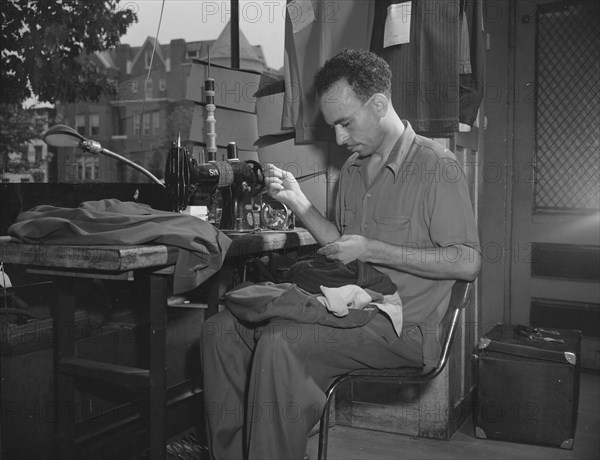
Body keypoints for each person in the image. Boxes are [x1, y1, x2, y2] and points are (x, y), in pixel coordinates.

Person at [201, 48, 481, 460]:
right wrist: (299, 203)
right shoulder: (352, 170)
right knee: (221, 330)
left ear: (380, 104)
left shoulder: (438, 166)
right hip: (348, 309)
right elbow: (345, 247)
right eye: (334, 126)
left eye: (346, 123)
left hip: (405, 328)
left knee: (281, 341)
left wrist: (375, 248)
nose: (339, 138)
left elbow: (469, 261)